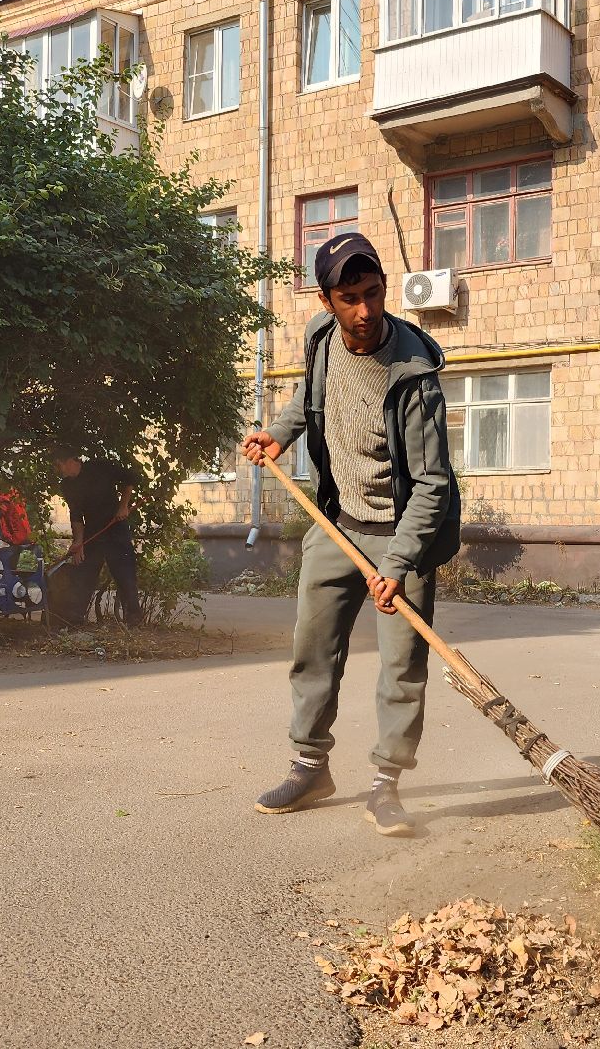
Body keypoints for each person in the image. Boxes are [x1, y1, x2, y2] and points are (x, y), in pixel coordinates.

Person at [239, 232, 461, 838]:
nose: (365, 311)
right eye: (350, 298)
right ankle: (310, 767)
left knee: (403, 665)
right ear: (327, 299)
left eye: (374, 294)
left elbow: (433, 486)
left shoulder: (416, 374)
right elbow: (309, 401)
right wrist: (279, 434)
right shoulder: (320, 338)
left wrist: (401, 562)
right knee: (312, 650)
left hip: (402, 532)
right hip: (335, 524)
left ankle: (386, 784)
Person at [50, 446, 140, 627]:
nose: (57, 470)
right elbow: (76, 515)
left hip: (116, 528)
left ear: (69, 461)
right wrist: (78, 542)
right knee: (84, 571)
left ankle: (134, 619)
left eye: (58, 465)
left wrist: (123, 506)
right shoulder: (67, 485)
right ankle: (74, 619)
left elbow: (130, 478)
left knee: (125, 573)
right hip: (93, 532)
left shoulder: (99, 467)